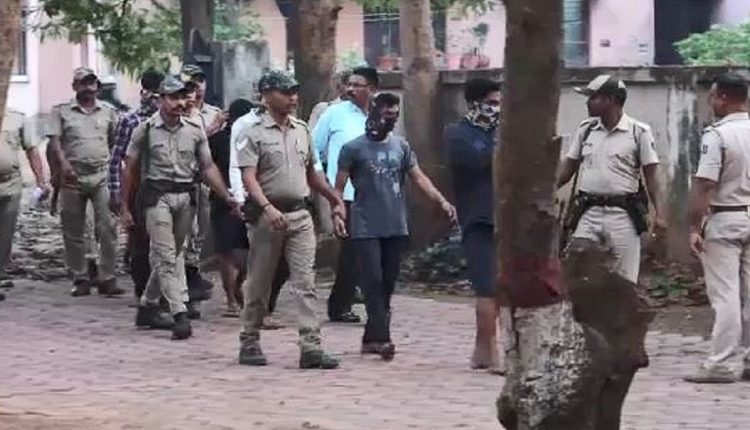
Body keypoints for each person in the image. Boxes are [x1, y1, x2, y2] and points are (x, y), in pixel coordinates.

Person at [236, 70, 347, 369]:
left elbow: (313, 173)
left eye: (294, 92)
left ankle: (311, 346)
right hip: (267, 217)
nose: (292, 98)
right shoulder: (253, 132)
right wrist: (266, 207)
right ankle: (249, 339)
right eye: (285, 92)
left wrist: (334, 197)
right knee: (259, 283)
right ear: (266, 95)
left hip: (300, 215)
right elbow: (249, 177)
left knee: (305, 282)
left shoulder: (302, 130)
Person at [336, 93, 456, 360]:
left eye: (394, 115)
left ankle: (371, 338)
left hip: (395, 224)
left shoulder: (401, 146)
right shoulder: (353, 149)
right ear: (374, 112)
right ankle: (383, 338)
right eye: (386, 114)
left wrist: (441, 200)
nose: (390, 119)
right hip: (365, 225)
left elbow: (418, 177)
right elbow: (339, 187)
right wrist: (338, 211)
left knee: (388, 282)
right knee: (372, 280)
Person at [121, 75, 237, 340]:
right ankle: (179, 313)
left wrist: (226, 195)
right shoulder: (145, 130)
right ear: (160, 100)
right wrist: (124, 208)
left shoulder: (194, 130)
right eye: (173, 97)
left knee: (174, 253)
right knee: (165, 254)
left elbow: (207, 167)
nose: (180, 103)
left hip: (186, 197)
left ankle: (148, 306)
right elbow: (129, 169)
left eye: (183, 97)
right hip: (156, 197)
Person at [557, 74, 665, 284]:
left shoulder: (639, 132)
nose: (588, 102)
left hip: (623, 214)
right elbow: (568, 169)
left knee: (624, 277)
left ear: (611, 100)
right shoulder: (586, 129)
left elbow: (652, 177)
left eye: (593, 97)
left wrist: (660, 214)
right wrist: (547, 190)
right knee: (579, 272)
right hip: (588, 211)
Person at [685, 73, 750, 384]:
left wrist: (694, 227)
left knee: (726, 296)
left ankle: (720, 364)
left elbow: (705, 184)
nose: (711, 102)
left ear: (723, 97)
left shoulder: (718, 135)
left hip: (726, 218)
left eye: (712, 96)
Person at [46, 67, 124, 297]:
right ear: (75, 86)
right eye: (83, 83)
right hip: (72, 176)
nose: (88, 88)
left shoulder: (108, 111)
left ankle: (107, 277)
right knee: (73, 230)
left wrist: (116, 172)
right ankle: (80, 277)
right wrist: (63, 165)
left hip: (101, 175)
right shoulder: (61, 111)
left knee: (108, 227)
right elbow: (55, 142)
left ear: (97, 87)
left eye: (92, 84)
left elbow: (115, 143)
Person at [445, 78, 504, 372]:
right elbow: (479, 163)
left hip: (505, 218)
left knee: (503, 288)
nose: (497, 109)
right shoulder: (458, 134)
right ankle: (490, 351)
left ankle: (482, 350)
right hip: (478, 218)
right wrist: (500, 142)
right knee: (486, 286)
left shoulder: (500, 131)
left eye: (500, 103)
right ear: (474, 104)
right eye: (491, 103)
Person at [313, 66, 379, 323]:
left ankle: (347, 301)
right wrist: (324, 186)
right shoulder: (334, 114)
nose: (350, 89)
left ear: (372, 89)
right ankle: (341, 304)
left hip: (375, 193)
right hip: (343, 194)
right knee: (352, 250)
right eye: (348, 84)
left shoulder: (380, 115)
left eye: (357, 85)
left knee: (367, 251)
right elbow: (313, 150)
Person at [229, 96, 289, 328]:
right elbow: (236, 164)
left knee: (283, 262)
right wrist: (239, 197)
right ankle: (258, 309)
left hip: (285, 200)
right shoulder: (244, 124)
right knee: (260, 258)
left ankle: (263, 301)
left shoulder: (293, 125)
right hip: (255, 199)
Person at [108, 69, 165, 300]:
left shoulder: (177, 122)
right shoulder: (131, 122)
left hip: (167, 189)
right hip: (138, 189)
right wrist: (116, 194)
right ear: (144, 94)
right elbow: (117, 159)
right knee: (140, 241)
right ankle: (143, 290)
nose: (157, 100)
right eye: (154, 94)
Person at [181, 64, 225, 317]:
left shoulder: (213, 112)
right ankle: (182, 288)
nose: (196, 88)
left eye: (199, 81)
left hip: (205, 182)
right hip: (182, 181)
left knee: (201, 230)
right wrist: (213, 128)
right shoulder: (178, 113)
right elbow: (194, 141)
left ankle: (193, 272)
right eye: (190, 83)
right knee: (183, 234)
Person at [209, 98, 255, 317]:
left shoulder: (253, 138)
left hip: (246, 200)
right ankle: (231, 298)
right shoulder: (220, 140)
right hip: (227, 201)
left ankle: (236, 290)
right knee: (228, 251)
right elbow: (206, 167)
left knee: (241, 252)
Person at [0, 109, 50, 290]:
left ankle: (1, 270)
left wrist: (41, 181)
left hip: (10, 182)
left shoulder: (17, 118)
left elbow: (31, 150)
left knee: (6, 230)